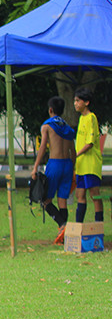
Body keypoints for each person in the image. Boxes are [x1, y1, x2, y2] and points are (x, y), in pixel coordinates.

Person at [29, 96, 75, 243]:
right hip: (67, 164)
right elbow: (73, 151)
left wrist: (35, 166)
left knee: (45, 200)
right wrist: (72, 168)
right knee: (62, 199)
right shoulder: (68, 128)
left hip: (54, 164)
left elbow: (43, 147)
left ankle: (62, 224)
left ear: (50, 110)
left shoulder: (47, 126)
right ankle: (63, 235)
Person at [72, 88, 104, 226]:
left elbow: (89, 143)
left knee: (94, 195)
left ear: (86, 102)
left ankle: (98, 227)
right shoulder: (81, 118)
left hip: (90, 164)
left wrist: (75, 154)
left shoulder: (91, 118)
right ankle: (79, 227)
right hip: (81, 165)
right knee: (80, 195)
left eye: (78, 101)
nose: (75, 103)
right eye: (74, 101)